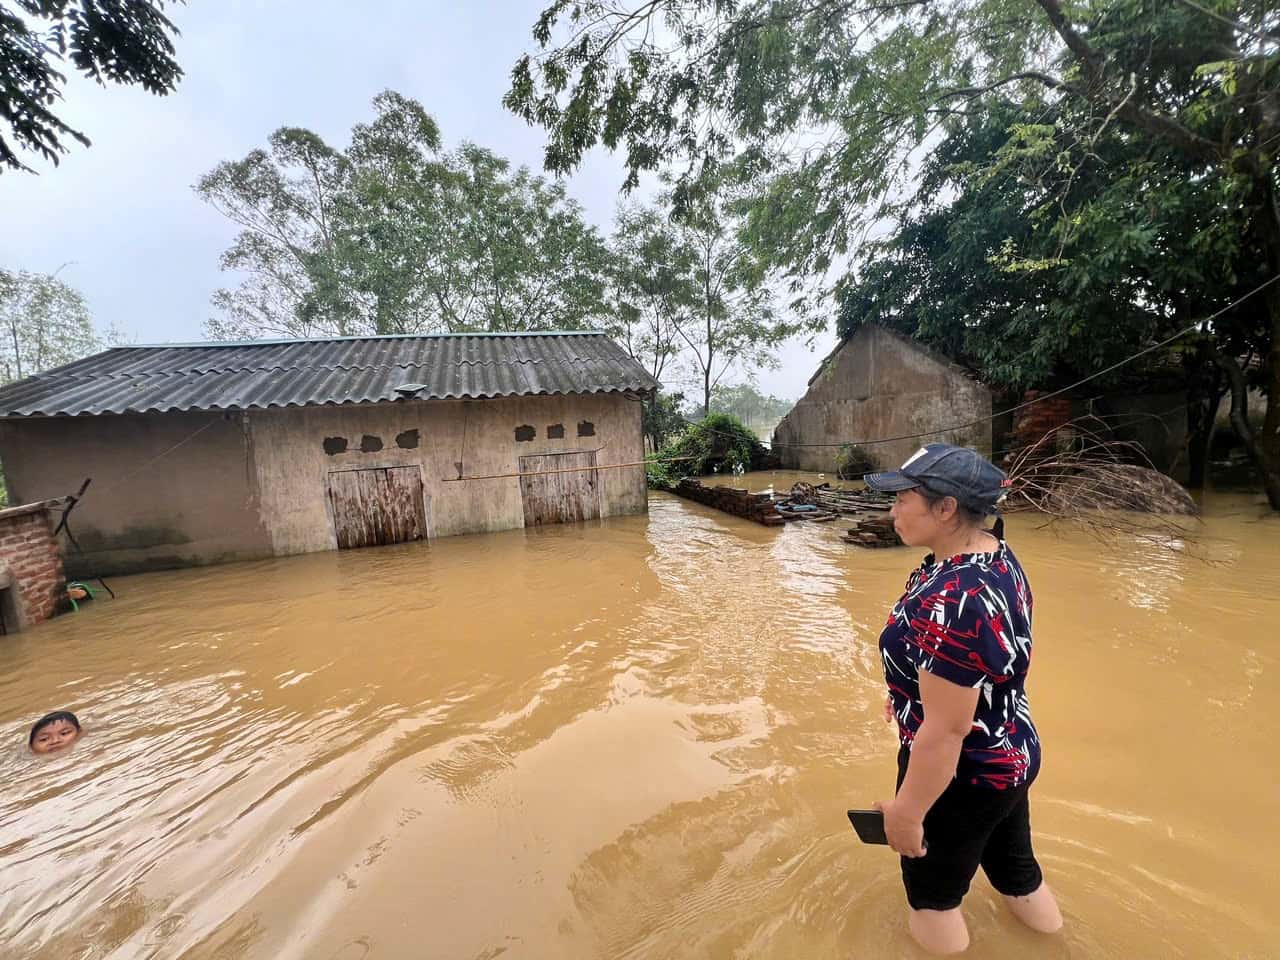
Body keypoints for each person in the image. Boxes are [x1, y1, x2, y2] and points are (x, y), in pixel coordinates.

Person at [865, 444, 1062, 954]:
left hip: (964, 770)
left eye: (902, 499)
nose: (892, 511)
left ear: (946, 507)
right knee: (1016, 872)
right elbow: (977, 665)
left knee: (933, 897)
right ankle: (1059, 947)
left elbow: (947, 730)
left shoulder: (954, 596)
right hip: (1010, 749)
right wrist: (908, 690)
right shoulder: (991, 556)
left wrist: (907, 813)